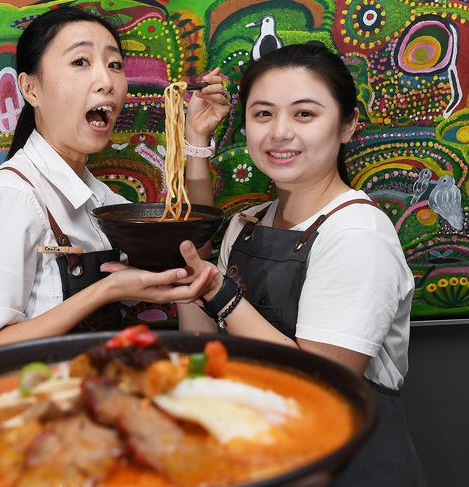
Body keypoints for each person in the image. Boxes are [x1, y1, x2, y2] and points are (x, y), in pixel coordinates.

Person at [121, 42, 425, 486]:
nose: (279, 132)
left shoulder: (358, 233)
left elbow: (326, 386)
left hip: (347, 467)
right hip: (261, 458)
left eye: (304, 114)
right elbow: (202, 343)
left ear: (347, 125)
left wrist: (217, 293)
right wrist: (197, 141)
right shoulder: (248, 223)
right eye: (263, 114)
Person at [0, 6, 230, 355]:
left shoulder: (102, 202)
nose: (106, 80)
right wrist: (106, 290)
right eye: (81, 62)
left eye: (114, 65)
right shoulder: (13, 197)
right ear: (30, 88)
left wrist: (197, 138)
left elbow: (191, 251)